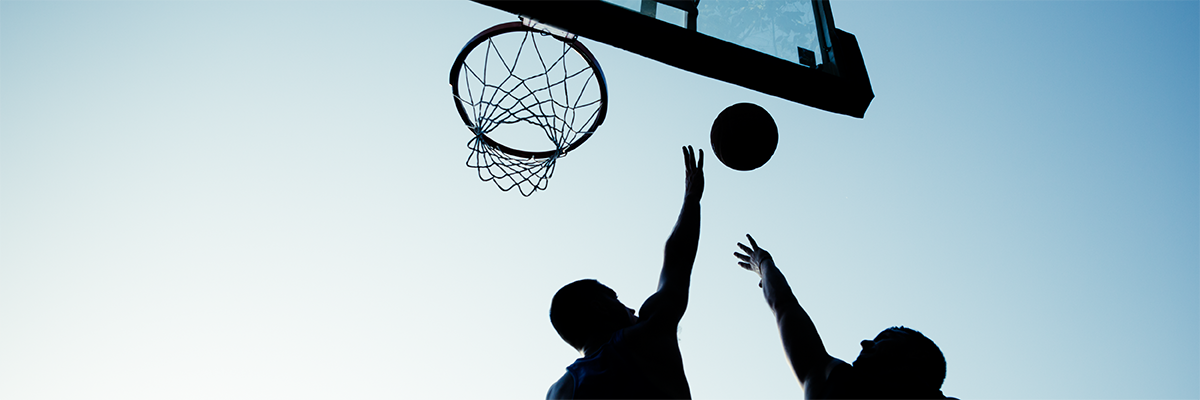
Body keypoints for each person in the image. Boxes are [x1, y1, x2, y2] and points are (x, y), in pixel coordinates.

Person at [546, 146, 704, 400]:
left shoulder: (558, 391)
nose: (631, 309)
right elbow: (677, 261)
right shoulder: (646, 334)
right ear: (600, 307)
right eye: (615, 298)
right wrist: (691, 199)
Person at [734, 234, 959, 400]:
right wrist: (764, 263)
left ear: (918, 356)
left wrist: (764, 264)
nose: (865, 343)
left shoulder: (828, 376)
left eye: (884, 339)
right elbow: (784, 305)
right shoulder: (831, 377)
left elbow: (784, 304)